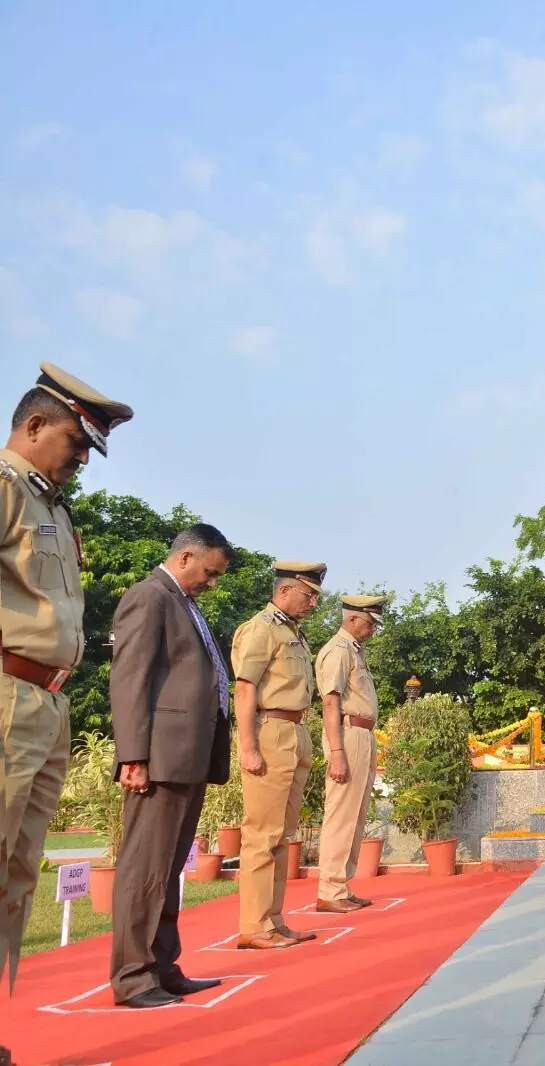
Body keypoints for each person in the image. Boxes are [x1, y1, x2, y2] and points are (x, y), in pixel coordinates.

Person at [1, 362, 132, 1046]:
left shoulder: (51, 504)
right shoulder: (4, 488)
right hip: (7, 694)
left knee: (19, 874)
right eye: (77, 442)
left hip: (45, 702)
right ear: (33, 426)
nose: (84, 458)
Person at [108, 524, 235, 1007]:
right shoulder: (149, 597)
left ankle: (162, 966)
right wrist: (133, 756)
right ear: (185, 557)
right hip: (157, 758)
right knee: (144, 871)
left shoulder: (184, 602)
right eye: (210, 572)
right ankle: (133, 977)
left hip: (187, 757)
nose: (213, 582)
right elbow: (129, 679)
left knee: (167, 871)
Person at [231, 561, 325, 950]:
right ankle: (253, 925)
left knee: (283, 835)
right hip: (270, 731)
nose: (314, 604)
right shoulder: (261, 629)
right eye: (309, 595)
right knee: (262, 834)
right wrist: (248, 747)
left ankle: (273, 919)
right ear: (285, 591)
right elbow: (245, 687)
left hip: (296, 731)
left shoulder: (293, 634)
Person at [315, 594, 389, 913]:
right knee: (341, 813)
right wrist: (337, 751)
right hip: (346, 733)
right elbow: (330, 702)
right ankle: (330, 890)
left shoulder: (355, 651)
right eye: (370, 623)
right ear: (353, 618)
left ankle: (341, 886)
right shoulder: (339, 650)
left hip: (363, 734)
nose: (372, 630)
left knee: (355, 814)